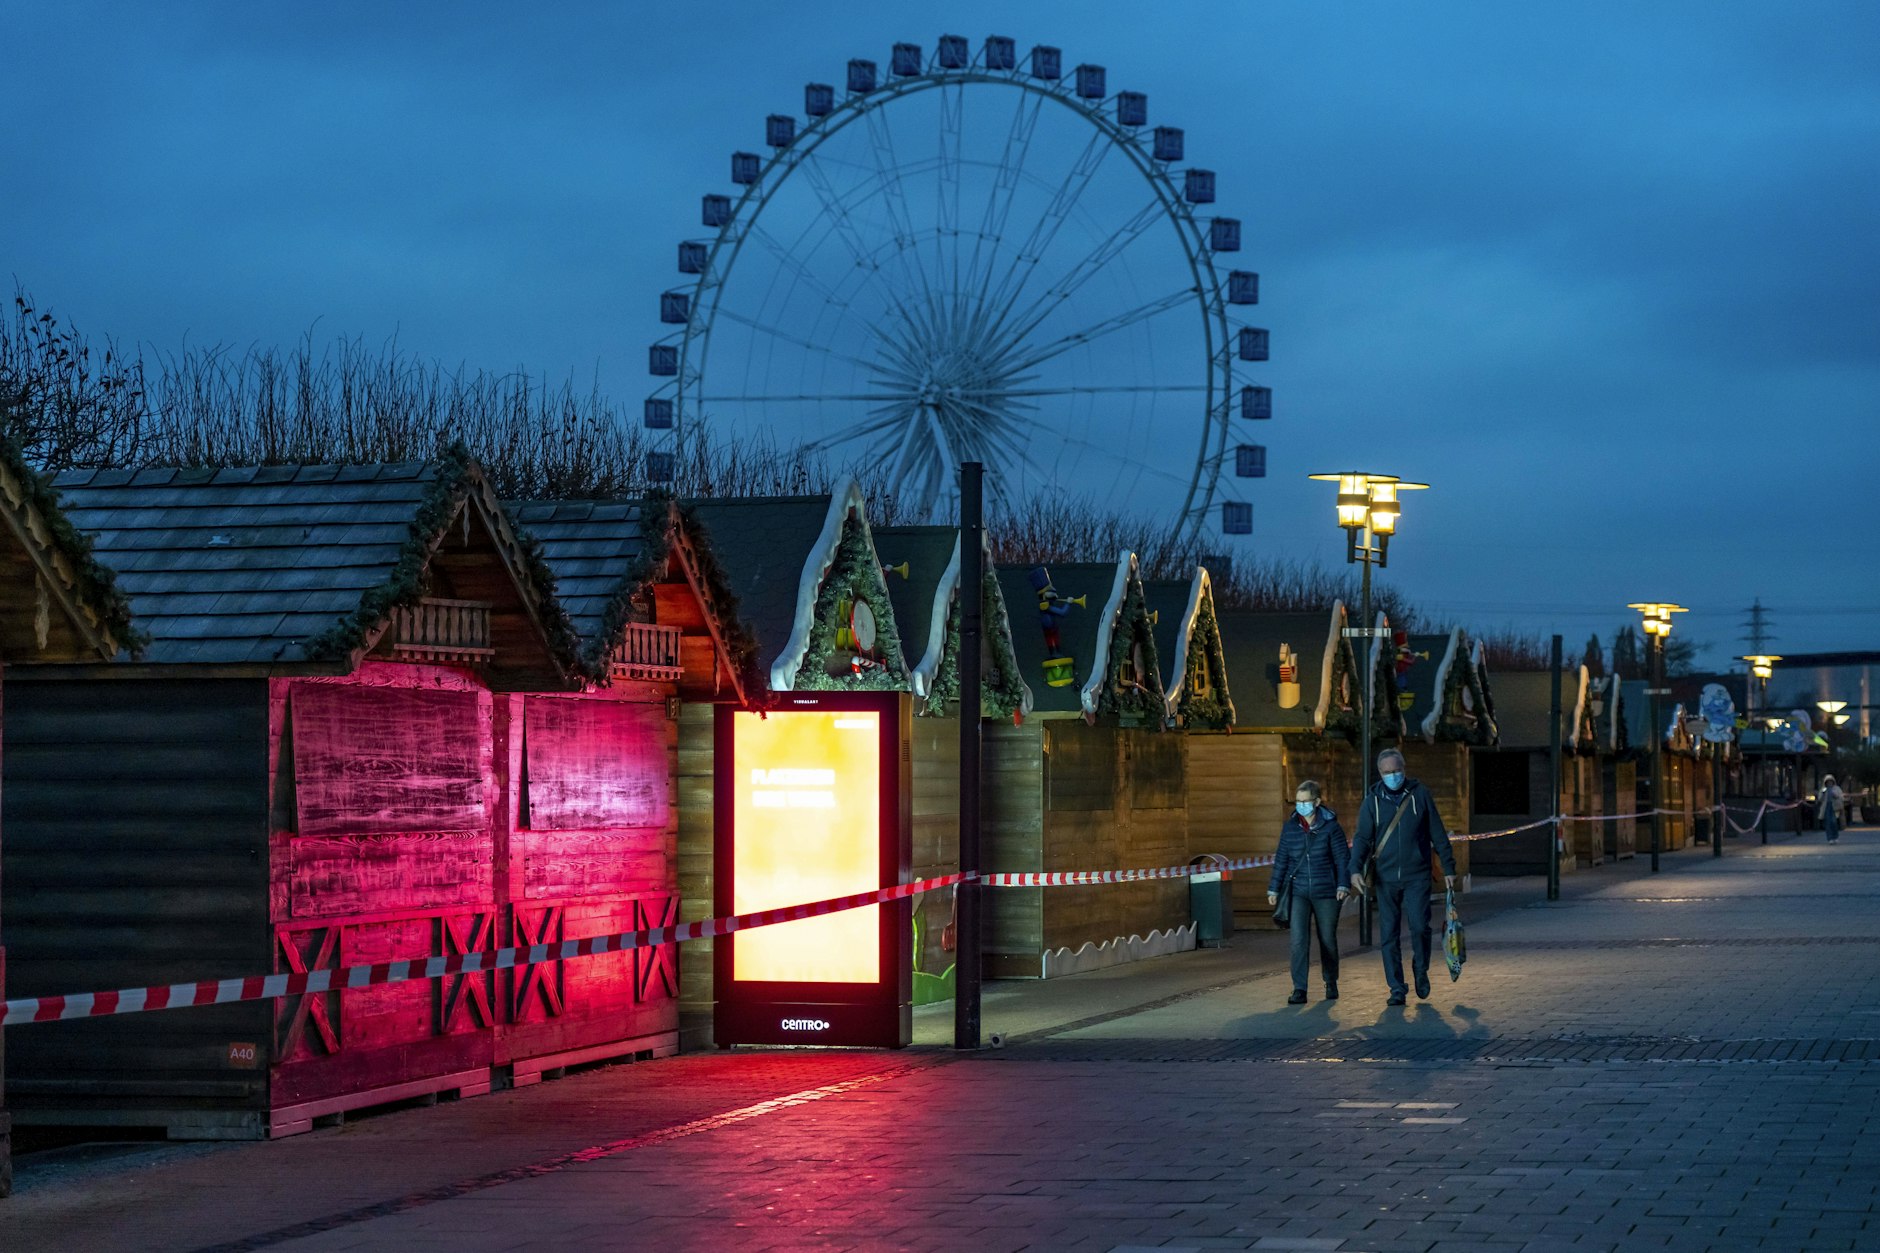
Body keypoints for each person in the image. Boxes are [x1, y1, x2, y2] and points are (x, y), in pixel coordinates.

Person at [1349, 748, 1458, 1006]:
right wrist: (1354, 869)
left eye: (1396, 771)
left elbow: (1437, 833)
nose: (1392, 776)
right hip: (1386, 878)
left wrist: (1449, 868)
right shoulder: (1372, 802)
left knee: (1420, 927)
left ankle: (1421, 969)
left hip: (1417, 874)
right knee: (1388, 934)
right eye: (1387, 772)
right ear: (1380, 773)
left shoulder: (1420, 795)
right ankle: (1396, 987)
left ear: (1404, 769)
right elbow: (1362, 838)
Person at [1267, 780, 1351, 1004]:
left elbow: (1342, 858)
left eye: (1305, 801)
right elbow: (1282, 860)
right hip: (1298, 892)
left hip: (1327, 892)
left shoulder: (1331, 826)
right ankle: (1299, 989)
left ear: (1317, 801)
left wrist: (1343, 884)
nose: (1301, 806)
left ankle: (1330, 981)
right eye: (1298, 801)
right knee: (1298, 941)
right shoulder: (1290, 827)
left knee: (1327, 940)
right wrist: (1274, 887)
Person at [1820, 775, 1845, 843]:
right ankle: (1830, 838)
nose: (1829, 783)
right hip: (1826, 807)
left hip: (1835, 807)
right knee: (1828, 823)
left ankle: (1835, 837)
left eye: (1830, 782)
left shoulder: (1836, 788)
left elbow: (1841, 797)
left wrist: (1835, 795)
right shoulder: (1824, 789)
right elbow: (1820, 799)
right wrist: (1822, 794)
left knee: (1834, 822)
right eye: (1828, 782)